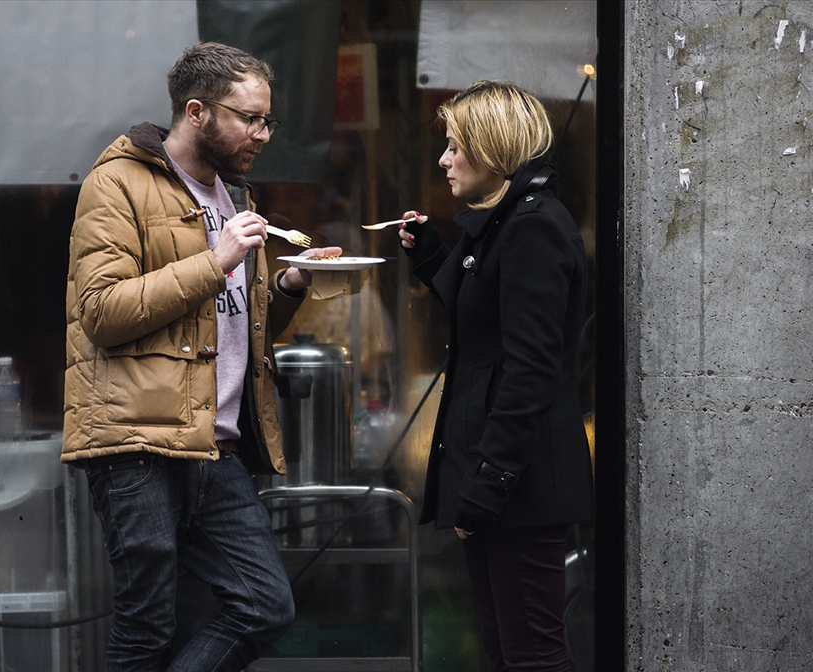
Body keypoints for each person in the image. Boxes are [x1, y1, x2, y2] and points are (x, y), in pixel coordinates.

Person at [62, 42, 340, 672]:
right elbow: (102, 313)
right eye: (249, 118)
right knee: (146, 627)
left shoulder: (232, 197)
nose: (262, 134)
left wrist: (287, 289)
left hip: (215, 447)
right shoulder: (116, 184)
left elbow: (227, 324)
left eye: (268, 120)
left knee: (267, 606)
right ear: (197, 112)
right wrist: (215, 261)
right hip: (137, 443)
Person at [396, 80, 594, 671]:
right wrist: (432, 255)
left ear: (492, 149)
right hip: (497, 475)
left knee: (531, 653)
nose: (444, 160)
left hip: (520, 483)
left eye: (456, 147)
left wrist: (490, 480)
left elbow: (530, 367)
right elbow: (482, 312)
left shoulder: (533, 226)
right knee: (503, 651)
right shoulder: (506, 220)